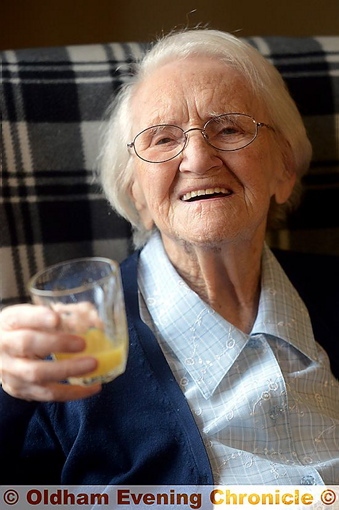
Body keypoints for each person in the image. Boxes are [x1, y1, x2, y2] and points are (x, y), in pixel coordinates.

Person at [0, 28, 338, 486]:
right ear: (137, 194)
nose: (198, 158)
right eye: (162, 139)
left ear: (284, 169)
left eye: (230, 128)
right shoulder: (66, 341)